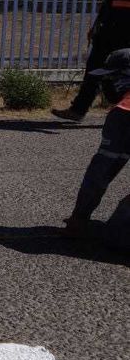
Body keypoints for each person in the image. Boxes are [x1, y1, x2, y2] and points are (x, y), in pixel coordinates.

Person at [53, 0, 130, 121]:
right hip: (110, 27)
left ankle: (122, 110)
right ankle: (78, 110)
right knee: (95, 67)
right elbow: (108, 0)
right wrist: (96, 25)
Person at [63, 47, 130, 251]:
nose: (105, 85)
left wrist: (79, 218)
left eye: (111, 78)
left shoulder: (124, 112)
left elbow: (100, 173)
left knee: (117, 234)